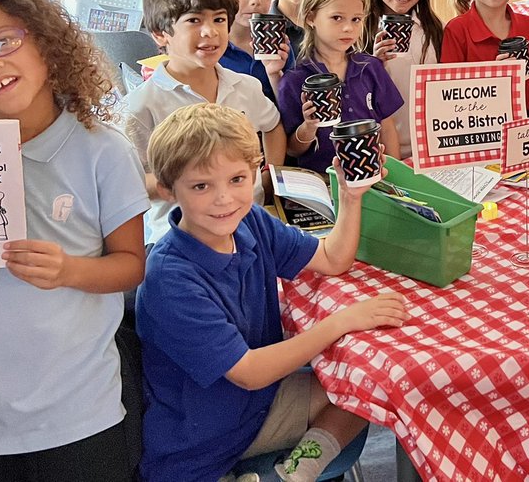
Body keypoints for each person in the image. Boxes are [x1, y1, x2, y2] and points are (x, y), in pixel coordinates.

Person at [0, 0, 147, 481]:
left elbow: (132, 266)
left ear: (43, 39)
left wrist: (69, 270)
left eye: (3, 40)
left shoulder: (103, 150)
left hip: (77, 409)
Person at [136, 103, 407, 482]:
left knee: (365, 385)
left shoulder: (251, 221)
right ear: (167, 190)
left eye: (236, 179)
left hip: (257, 409)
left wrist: (351, 195)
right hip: (198, 447)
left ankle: (296, 473)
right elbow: (249, 373)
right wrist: (340, 322)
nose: (224, 199)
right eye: (201, 186)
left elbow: (331, 256)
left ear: (256, 171)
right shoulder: (170, 278)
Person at [125, 0, 286, 245]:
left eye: (219, 20)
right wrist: (195, 184)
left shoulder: (245, 86)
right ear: (160, 34)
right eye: (194, 21)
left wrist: (269, 177)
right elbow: (130, 183)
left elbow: (272, 126)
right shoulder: (142, 105)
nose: (210, 31)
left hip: (251, 230)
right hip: (181, 240)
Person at [280, 0, 403, 175]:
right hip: (323, 184)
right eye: (337, 18)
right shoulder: (295, 80)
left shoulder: (371, 68)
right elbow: (292, 149)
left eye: (356, 19)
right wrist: (309, 127)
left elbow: (387, 127)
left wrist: (396, 177)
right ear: (311, 17)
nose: (348, 28)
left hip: (372, 181)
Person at [363, 0, 445, 161]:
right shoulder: (361, 29)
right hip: (384, 149)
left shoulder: (434, 29)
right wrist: (373, 63)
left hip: (430, 145)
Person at [210, 0, 294, 104]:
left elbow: (291, 114)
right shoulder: (209, 48)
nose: (256, 0)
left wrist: (275, 74)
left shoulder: (278, 44)